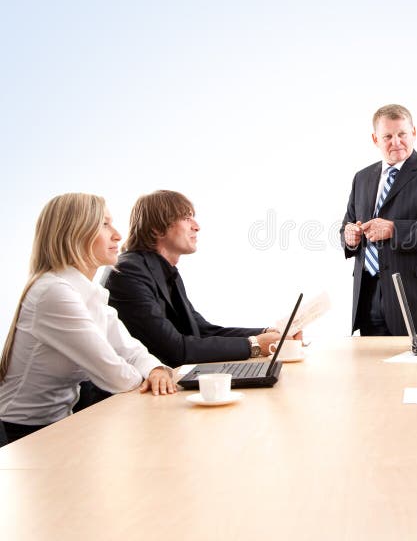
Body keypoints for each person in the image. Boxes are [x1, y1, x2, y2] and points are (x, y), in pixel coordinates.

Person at [0, 193, 175, 444]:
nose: (117, 235)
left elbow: (132, 350)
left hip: (58, 425)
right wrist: (149, 378)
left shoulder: (86, 292)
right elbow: (115, 374)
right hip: (19, 436)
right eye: (104, 224)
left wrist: (155, 369)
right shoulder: (54, 292)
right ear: (73, 233)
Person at [103, 190, 298, 368]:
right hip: (125, 397)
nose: (197, 227)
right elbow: (174, 350)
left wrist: (266, 333)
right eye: (186, 218)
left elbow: (202, 331)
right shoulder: (128, 271)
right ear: (156, 229)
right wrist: (255, 345)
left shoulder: (166, 273)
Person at [341, 104, 417, 336]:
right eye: (388, 136)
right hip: (369, 300)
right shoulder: (362, 178)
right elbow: (347, 226)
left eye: (402, 134)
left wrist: (395, 229)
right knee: (370, 373)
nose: (396, 142)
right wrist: (350, 237)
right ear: (375, 139)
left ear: (413, 133)